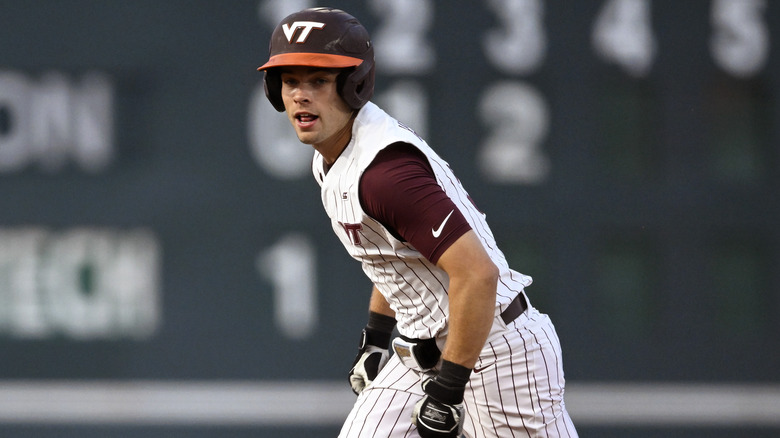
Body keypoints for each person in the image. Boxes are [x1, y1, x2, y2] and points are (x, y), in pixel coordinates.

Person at [257, 7, 578, 438]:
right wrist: (376, 336)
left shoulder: (384, 175)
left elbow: (478, 275)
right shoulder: (336, 153)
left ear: (354, 84)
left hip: (497, 353)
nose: (300, 95)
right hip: (428, 348)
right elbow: (393, 254)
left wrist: (448, 391)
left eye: (318, 80)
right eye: (291, 81)